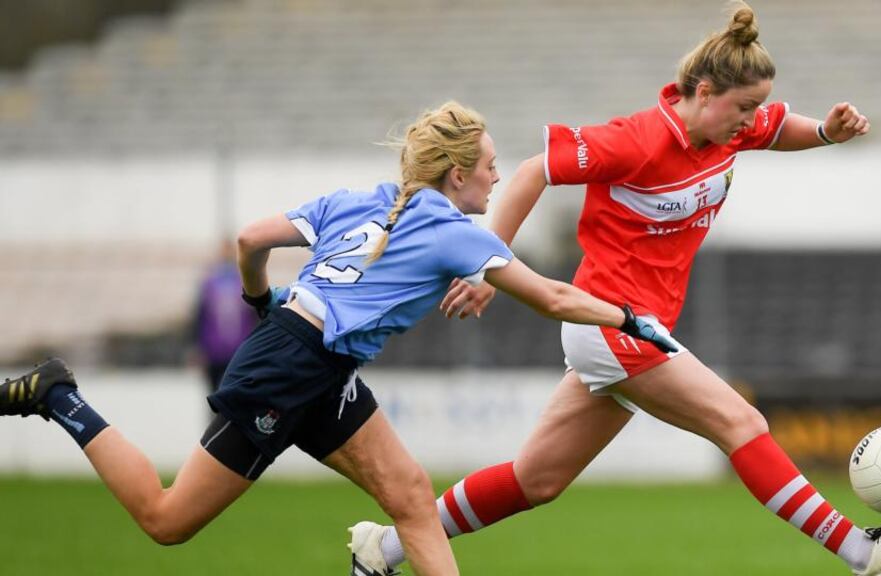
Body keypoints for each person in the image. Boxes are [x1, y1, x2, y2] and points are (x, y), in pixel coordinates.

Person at [351, 4, 881, 576]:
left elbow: (781, 126)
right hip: (611, 323)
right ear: (703, 92)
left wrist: (827, 133)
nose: (750, 119)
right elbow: (533, 171)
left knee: (537, 481)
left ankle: (384, 550)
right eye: (743, 107)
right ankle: (862, 554)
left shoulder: (729, 128)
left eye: (755, 107)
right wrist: (485, 267)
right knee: (741, 424)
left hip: (636, 328)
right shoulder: (635, 140)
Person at [0, 102, 678, 576]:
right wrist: (627, 319)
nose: (500, 177)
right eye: (492, 166)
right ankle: (62, 396)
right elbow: (553, 296)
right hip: (290, 369)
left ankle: (370, 562)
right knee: (166, 519)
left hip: (312, 355)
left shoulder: (358, 199)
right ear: (458, 173)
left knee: (411, 496)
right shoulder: (452, 229)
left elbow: (249, 241)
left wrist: (260, 301)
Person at [191, 238, 259, 395]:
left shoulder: (245, 279)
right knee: (214, 395)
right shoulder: (209, 283)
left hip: (240, 349)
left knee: (239, 394)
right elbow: (199, 316)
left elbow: (256, 314)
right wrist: (197, 347)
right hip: (213, 350)